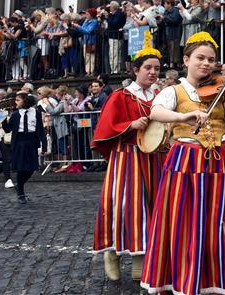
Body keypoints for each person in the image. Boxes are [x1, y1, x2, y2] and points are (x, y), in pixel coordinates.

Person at [141, 32, 225, 295]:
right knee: (183, 221)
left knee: (219, 222)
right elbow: (155, 113)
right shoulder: (174, 91)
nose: (206, 64)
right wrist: (185, 115)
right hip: (185, 162)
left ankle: (213, 281)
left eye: (211, 60)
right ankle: (183, 279)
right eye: (200, 58)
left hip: (220, 162)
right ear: (186, 60)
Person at [91, 33, 165, 281]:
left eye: (156, 68)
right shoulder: (120, 96)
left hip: (152, 158)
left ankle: (139, 257)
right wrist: (130, 124)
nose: (153, 72)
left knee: (149, 207)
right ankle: (112, 253)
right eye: (147, 68)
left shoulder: (159, 99)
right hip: (127, 158)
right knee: (123, 206)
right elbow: (104, 128)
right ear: (136, 70)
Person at [2, 92, 47, 205]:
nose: (15, 102)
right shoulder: (15, 114)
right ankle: (21, 193)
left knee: (31, 168)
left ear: (25, 101)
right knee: (21, 168)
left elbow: (40, 129)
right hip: (19, 142)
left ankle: (19, 185)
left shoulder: (35, 112)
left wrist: (44, 145)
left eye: (18, 100)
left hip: (31, 141)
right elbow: (8, 129)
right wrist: (3, 119)